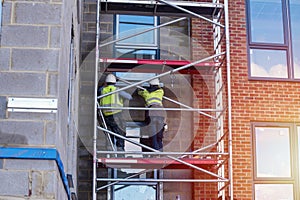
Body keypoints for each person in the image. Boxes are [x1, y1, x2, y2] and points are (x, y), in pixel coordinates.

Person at [99, 73, 132, 152]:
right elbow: (130, 97)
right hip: (116, 116)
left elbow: (99, 90)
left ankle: (109, 152)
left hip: (106, 117)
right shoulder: (117, 90)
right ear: (115, 82)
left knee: (109, 136)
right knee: (120, 135)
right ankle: (121, 153)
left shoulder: (102, 90)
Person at [138, 78, 165, 151]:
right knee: (159, 134)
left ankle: (155, 151)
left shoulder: (146, 93)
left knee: (153, 134)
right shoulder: (160, 91)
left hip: (151, 114)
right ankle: (160, 151)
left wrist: (142, 87)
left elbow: (139, 92)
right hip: (160, 114)